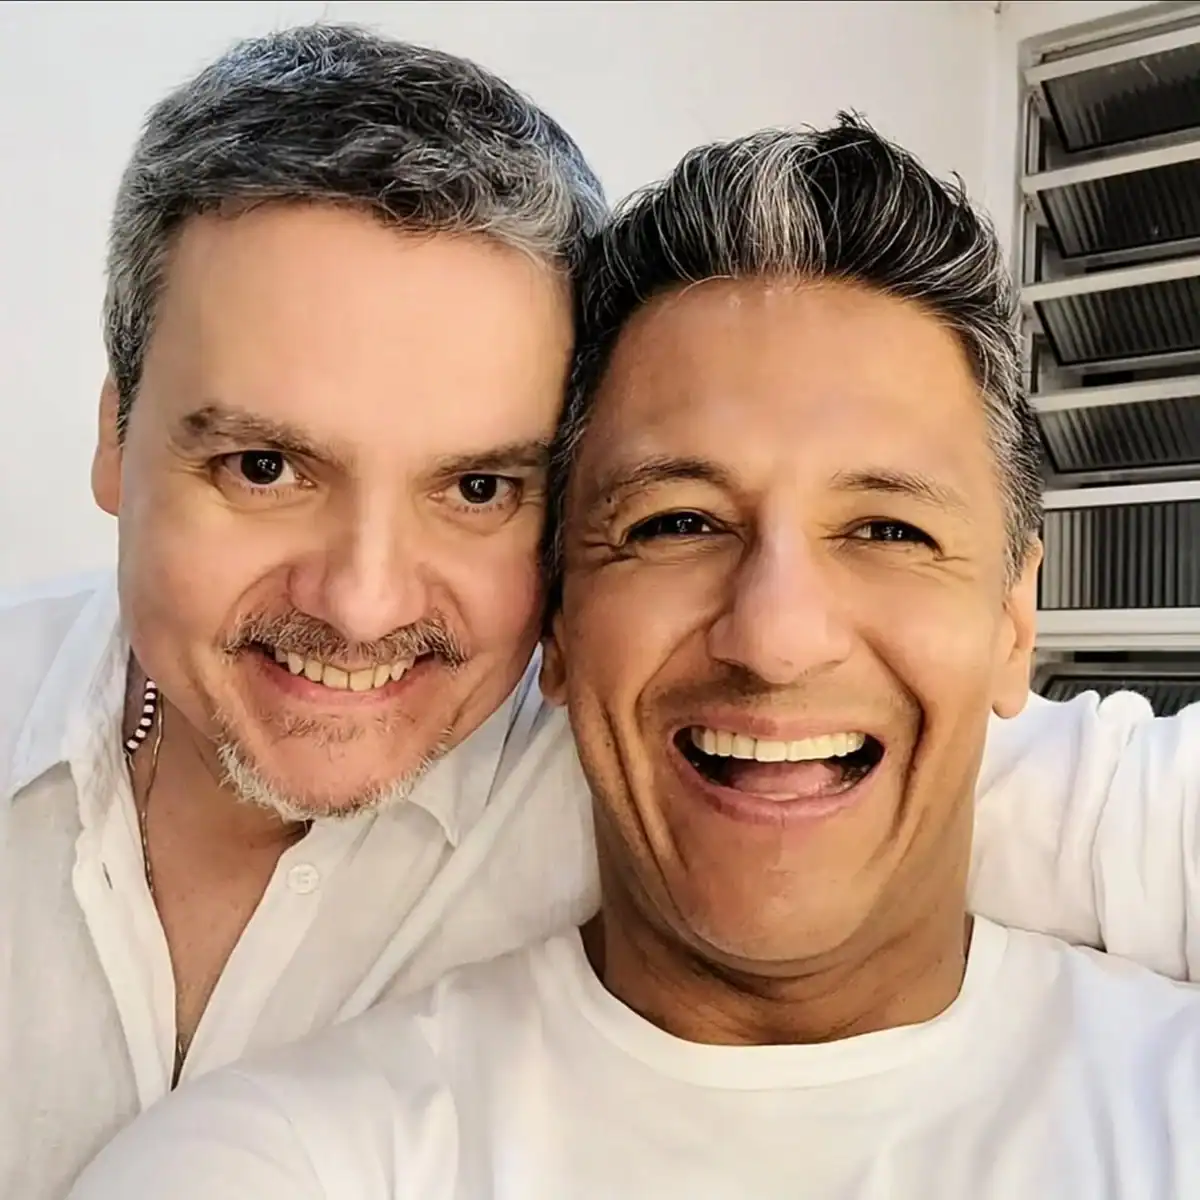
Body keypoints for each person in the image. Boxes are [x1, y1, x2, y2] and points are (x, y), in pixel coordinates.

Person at [4, 22, 1198, 1199]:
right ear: (116, 436)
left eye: (478, 488)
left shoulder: (697, 758)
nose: (362, 604)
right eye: (265, 467)